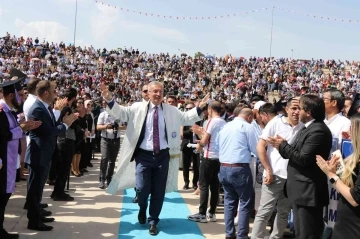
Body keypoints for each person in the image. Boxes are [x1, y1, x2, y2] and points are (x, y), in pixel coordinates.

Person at [102, 81, 208, 236]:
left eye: (160, 91)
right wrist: (110, 100)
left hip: (162, 156)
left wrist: (199, 107)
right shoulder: (137, 108)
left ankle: (153, 221)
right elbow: (121, 113)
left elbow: (185, 118)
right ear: (148, 93)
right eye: (155, 92)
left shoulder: (171, 110)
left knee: (158, 191)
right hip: (143, 156)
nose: (158, 94)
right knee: (142, 189)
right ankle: (143, 207)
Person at [268, 94, 332, 239]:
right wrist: (282, 145)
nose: (297, 112)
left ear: (308, 112)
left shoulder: (318, 130)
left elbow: (303, 159)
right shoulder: (308, 128)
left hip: (307, 193)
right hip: (301, 192)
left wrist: (282, 146)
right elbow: (296, 152)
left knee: (306, 233)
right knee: (301, 232)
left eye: (300, 109)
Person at [25, 80, 76, 231]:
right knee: (34, 190)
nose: (56, 94)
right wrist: (66, 124)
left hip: (44, 155)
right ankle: (33, 221)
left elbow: (52, 127)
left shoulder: (44, 107)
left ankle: (37, 215)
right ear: (46, 93)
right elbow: (50, 131)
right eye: (54, 91)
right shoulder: (38, 109)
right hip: (38, 155)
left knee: (38, 189)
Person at [252, 98, 303, 239]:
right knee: (265, 211)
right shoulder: (276, 123)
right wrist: (268, 169)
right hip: (274, 176)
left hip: (291, 177)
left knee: (283, 213)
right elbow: (260, 147)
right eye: (293, 108)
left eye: (299, 108)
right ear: (287, 109)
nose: (296, 111)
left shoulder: (303, 126)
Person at [0, 78, 41, 239]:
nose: (21, 99)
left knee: (4, 196)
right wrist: (21, 129)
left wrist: (23, 128)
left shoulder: (8, 112)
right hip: (3, 162)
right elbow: (3, 135)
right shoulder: (2, 112)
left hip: (9, 160)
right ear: (11, 96)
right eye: (19, 95)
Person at [316, 113, 360, 239]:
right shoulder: (354, 157)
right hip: (344, 225)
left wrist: (330, 174)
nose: (348, 131)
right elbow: (349, 180)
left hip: (354, 228)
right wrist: (335, 169)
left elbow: (354, 198)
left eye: (352, 127)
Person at [217, 105, 259, 239]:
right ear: (249, 117)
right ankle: (242, 235)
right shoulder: (248, 127)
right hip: (239, 168)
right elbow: (256, 148)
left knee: (229, 202)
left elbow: (218, 145)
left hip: (224, 167)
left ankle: (229, 233)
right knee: (245, 202)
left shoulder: (225, 127)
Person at [188, 101, 226, 223]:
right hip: (219, 157)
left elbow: (205, 140)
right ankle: (212, 212)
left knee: (204, 185)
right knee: (215, 186)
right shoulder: (224, 122)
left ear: (210, 109)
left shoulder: (211, 121)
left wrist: (199, 135)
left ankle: (202, 213)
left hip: (208, 156)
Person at [96, 107, 122, 189]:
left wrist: (118, 127)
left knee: (112, 161)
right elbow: (98, 127)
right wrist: (106, 126)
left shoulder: (119, 115)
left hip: (116, 140)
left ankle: (109, 178)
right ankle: (102, 179)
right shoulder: (103, 114)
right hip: (105, 139)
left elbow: (125, 126)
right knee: (104, 158)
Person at [180, 102, 199, 190]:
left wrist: (198, 131)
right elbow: (181, 134)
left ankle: (195, 183)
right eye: (187, 109)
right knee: (185, 165)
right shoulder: (183, 120)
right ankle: (186, 183)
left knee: (196, 165)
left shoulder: (199, 119)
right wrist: (191, 130)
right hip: (186, 145)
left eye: (190, 108)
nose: (188, 110)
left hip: (197, 144)